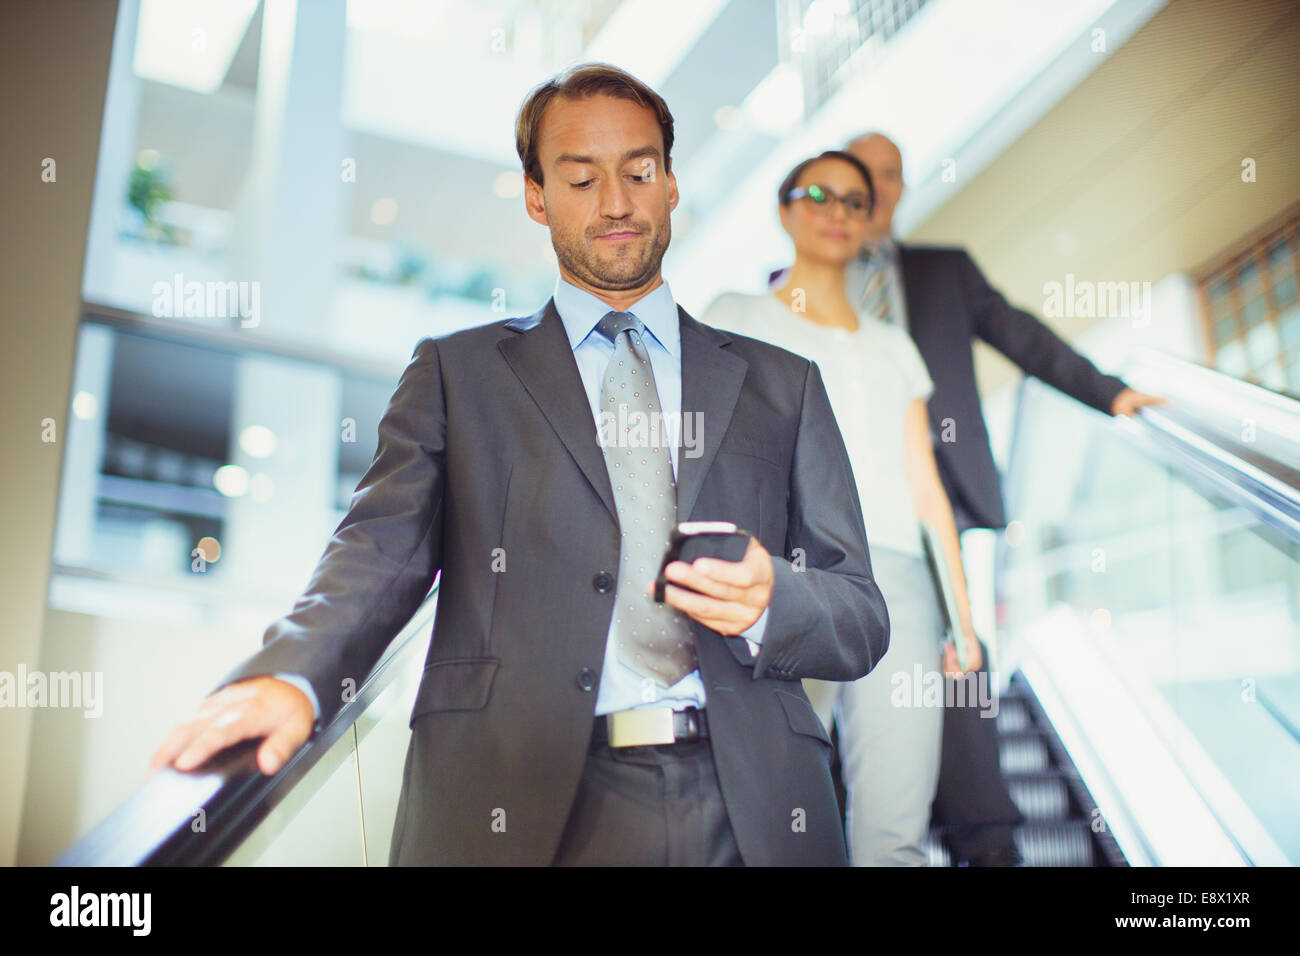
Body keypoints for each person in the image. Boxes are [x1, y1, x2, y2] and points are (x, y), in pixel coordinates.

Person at [149, 63, 890, 867]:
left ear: (672, 184)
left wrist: (774, 599)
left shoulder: (783, 385)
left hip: (753, 802)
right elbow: (376, 550)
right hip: (524, 799)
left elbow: (859, 615)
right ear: (537, 197)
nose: (615, 202)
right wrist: (289, 675)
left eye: (639, 172)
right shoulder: (456, 375)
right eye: (580, 179)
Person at [837, 132, 1165, 866]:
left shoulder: (941, 271)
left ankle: (984, 843)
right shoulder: (795, 284)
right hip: (839, 513)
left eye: (888, 174)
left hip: (941, 504)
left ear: (900, 186)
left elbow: (1024, 338)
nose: (874, 188)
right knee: (856, 681)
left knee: (960, 679)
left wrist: (1109, 392)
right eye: (859, 174)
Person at [702, 150, 983, 866]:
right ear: (785, 207)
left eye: (855, 201)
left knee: (895, 831)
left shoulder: (895, 348)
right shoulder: (736, 316)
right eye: (818, 194)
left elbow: (927, 487)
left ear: (870, 220)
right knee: (773, 818)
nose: (836, 211)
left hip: (897, 588)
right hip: (781, 576)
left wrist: (964, 618)